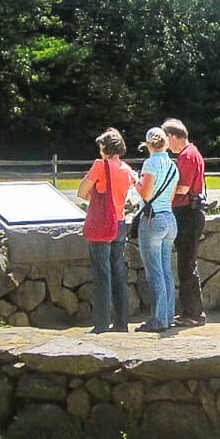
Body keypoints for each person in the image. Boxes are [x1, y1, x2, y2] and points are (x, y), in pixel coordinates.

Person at [77, 127, 136, 334]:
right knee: (119, 273)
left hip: (102, 224)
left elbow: (81, 191)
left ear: (105, 148)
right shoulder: (127, 169)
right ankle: (122, 323)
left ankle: (101, 324)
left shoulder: (100, 166)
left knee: (102, 274)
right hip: (120, 224)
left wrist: (96, 200)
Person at [162, 118, 207, 327]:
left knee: (186, 267)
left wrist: (162, 197)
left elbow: (183, 187)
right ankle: (191, 312)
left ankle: (193, 314)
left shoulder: (187, 155)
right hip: (191, 214)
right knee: (188, 265)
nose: (166, 144)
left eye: (166, 139)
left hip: (187, 215)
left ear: (172, 137)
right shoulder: (193, 152)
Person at [134, 127, 179, 333]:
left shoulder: (150, 163)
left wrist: (135, 181)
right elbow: (169, 198)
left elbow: (146, 194)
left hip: (154, 220)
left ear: (148, 145)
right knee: (166, 270)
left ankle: (158, 319)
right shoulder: (172, 166)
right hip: (170, 219)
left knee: (155, 272)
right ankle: (168, 316)